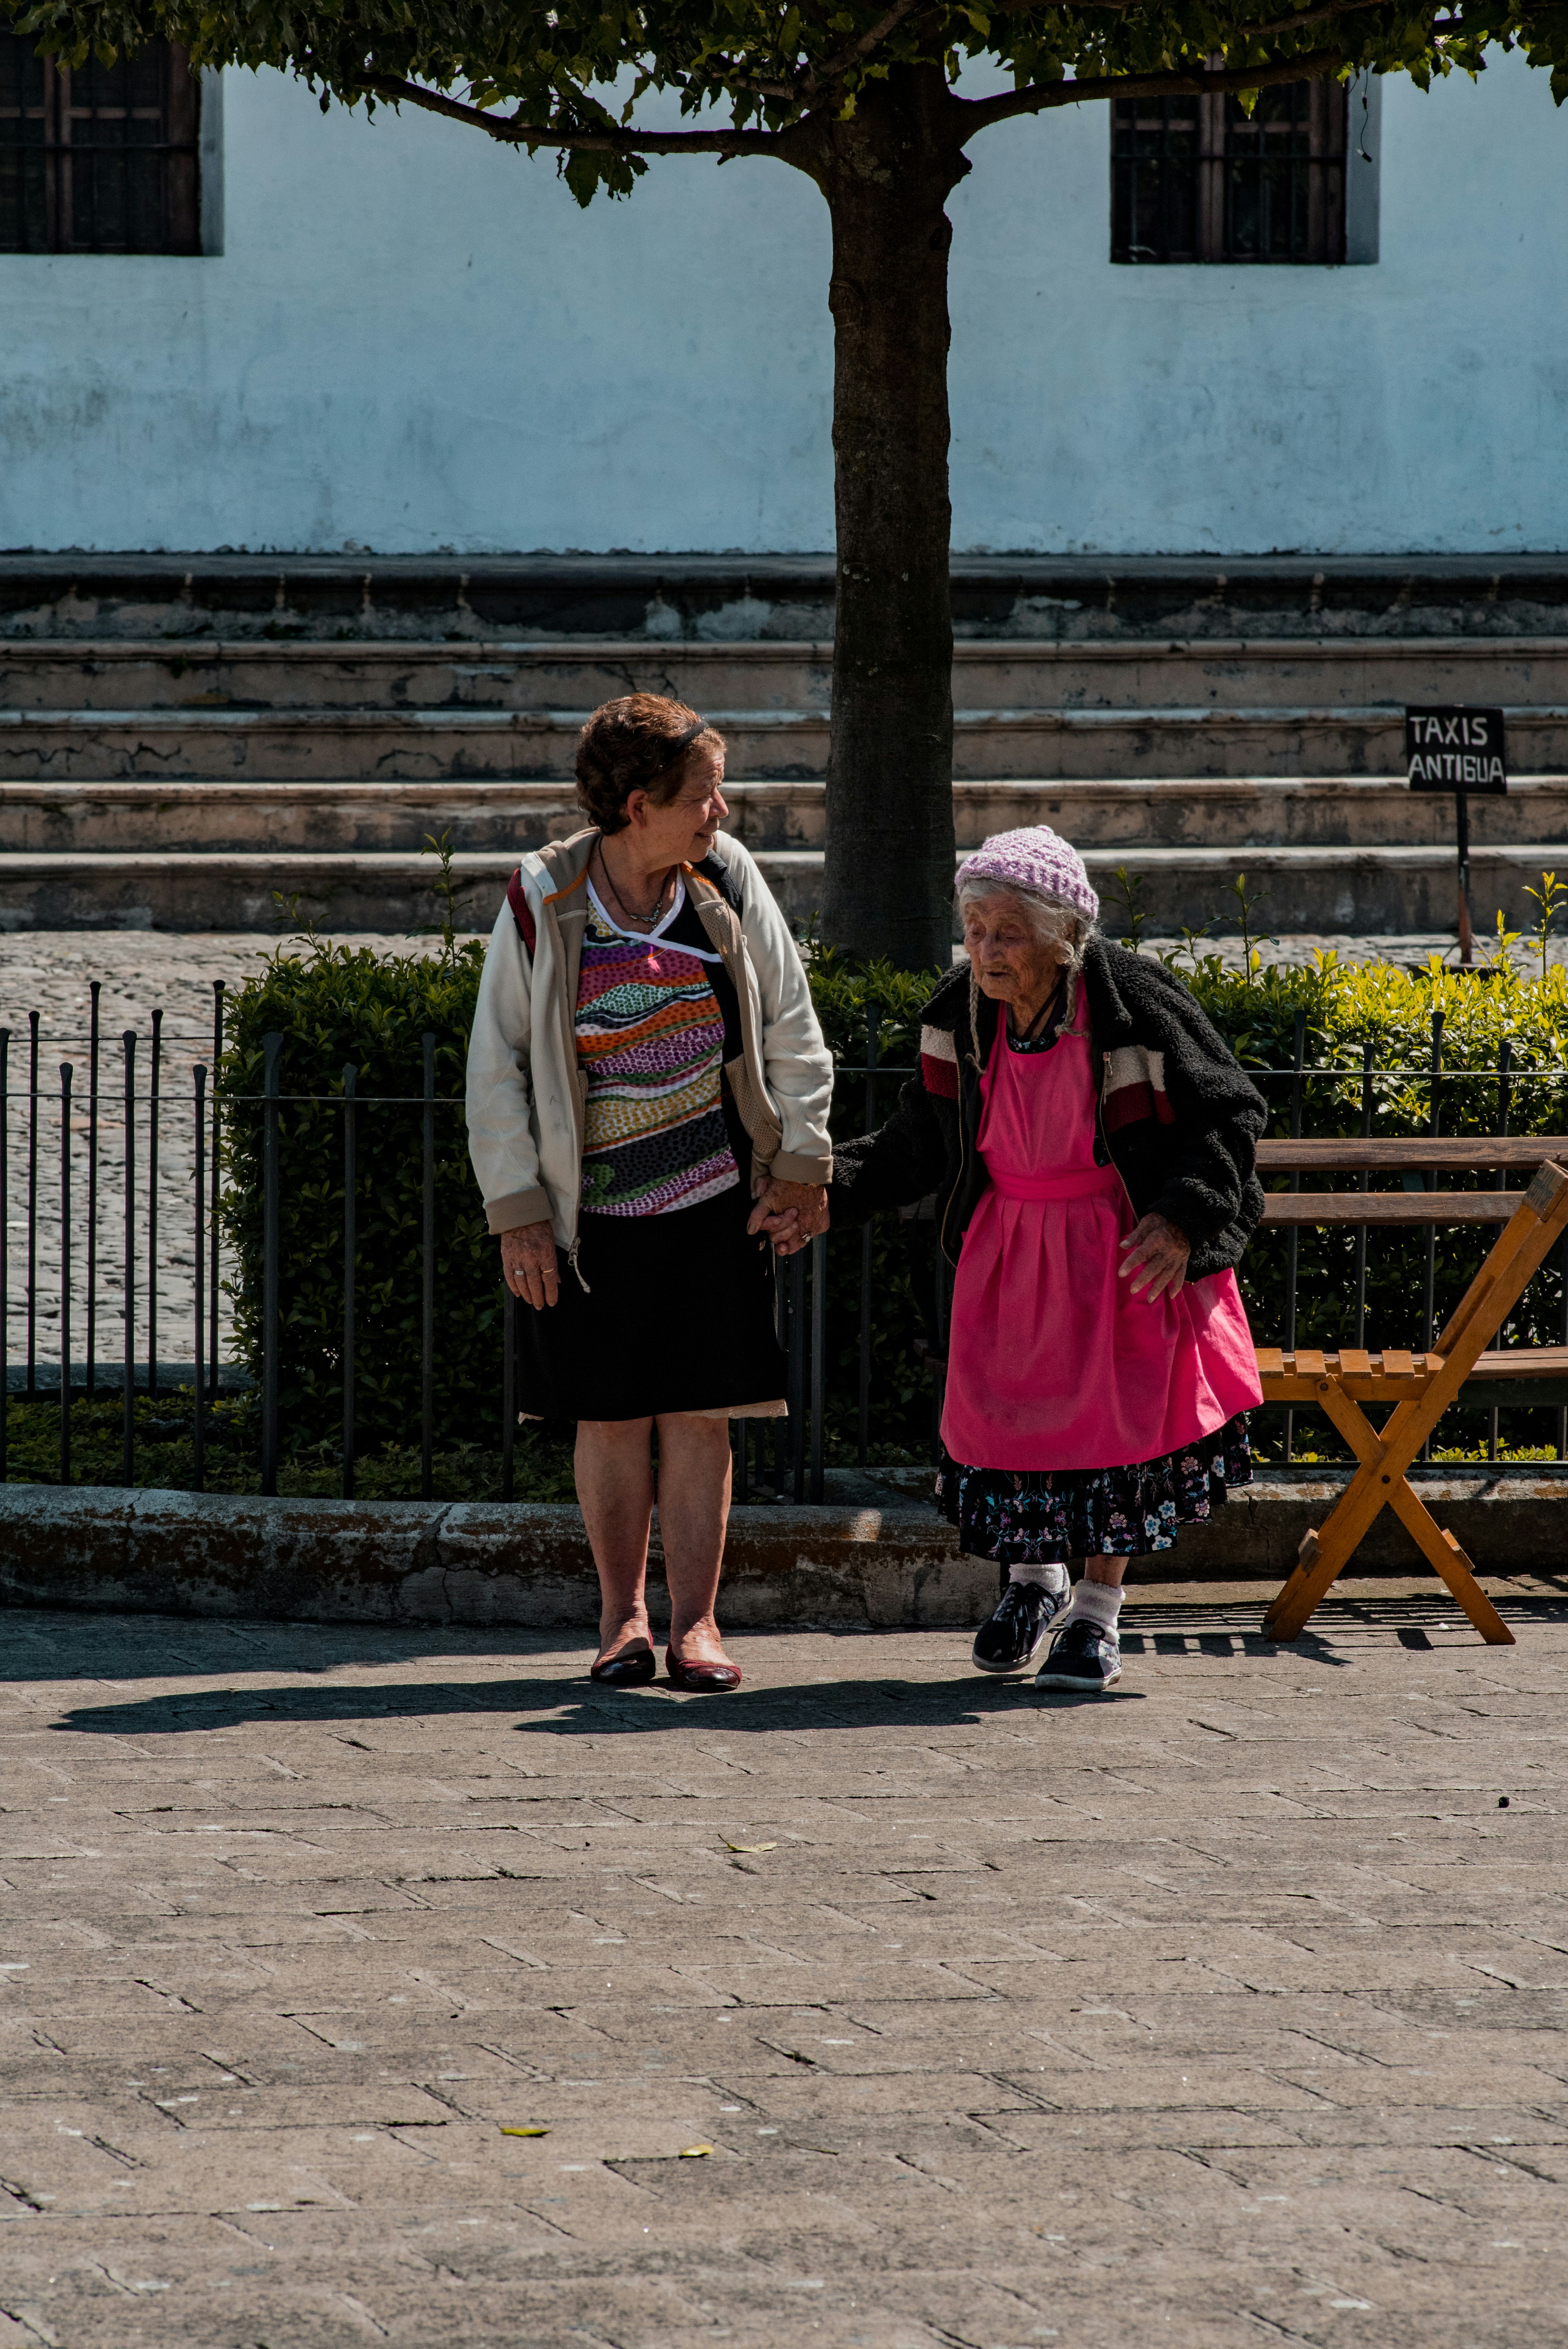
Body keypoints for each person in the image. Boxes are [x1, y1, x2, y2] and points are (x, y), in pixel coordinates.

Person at [830, 826, 1266, 1693]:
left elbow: (1227, 1114)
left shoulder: (1133, 999)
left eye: (1009, 932)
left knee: (1114, 1438)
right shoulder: (959, 1008)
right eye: (977, 928)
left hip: (1118, 1247)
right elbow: (919, 1139)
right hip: (1008, 1246)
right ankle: (1032, 1586)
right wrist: (827, 1190)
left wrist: (1181, 1219)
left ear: (1064, 935)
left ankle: (1097, 1618)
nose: (987, 950)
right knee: (1009, 1426)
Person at [465, 693, 833, 1692]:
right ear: (638, 805)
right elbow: (496, 1062)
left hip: (715, 1195)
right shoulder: (543, 894)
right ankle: (622, 1617)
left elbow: (791, 1023)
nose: (722, 813)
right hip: (592, 1213)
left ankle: (698, 1623)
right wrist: (519, 1210)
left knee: (702, 1414)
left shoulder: (726, 877)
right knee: (612, 1414)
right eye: (705, 796)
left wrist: (802, 1161)